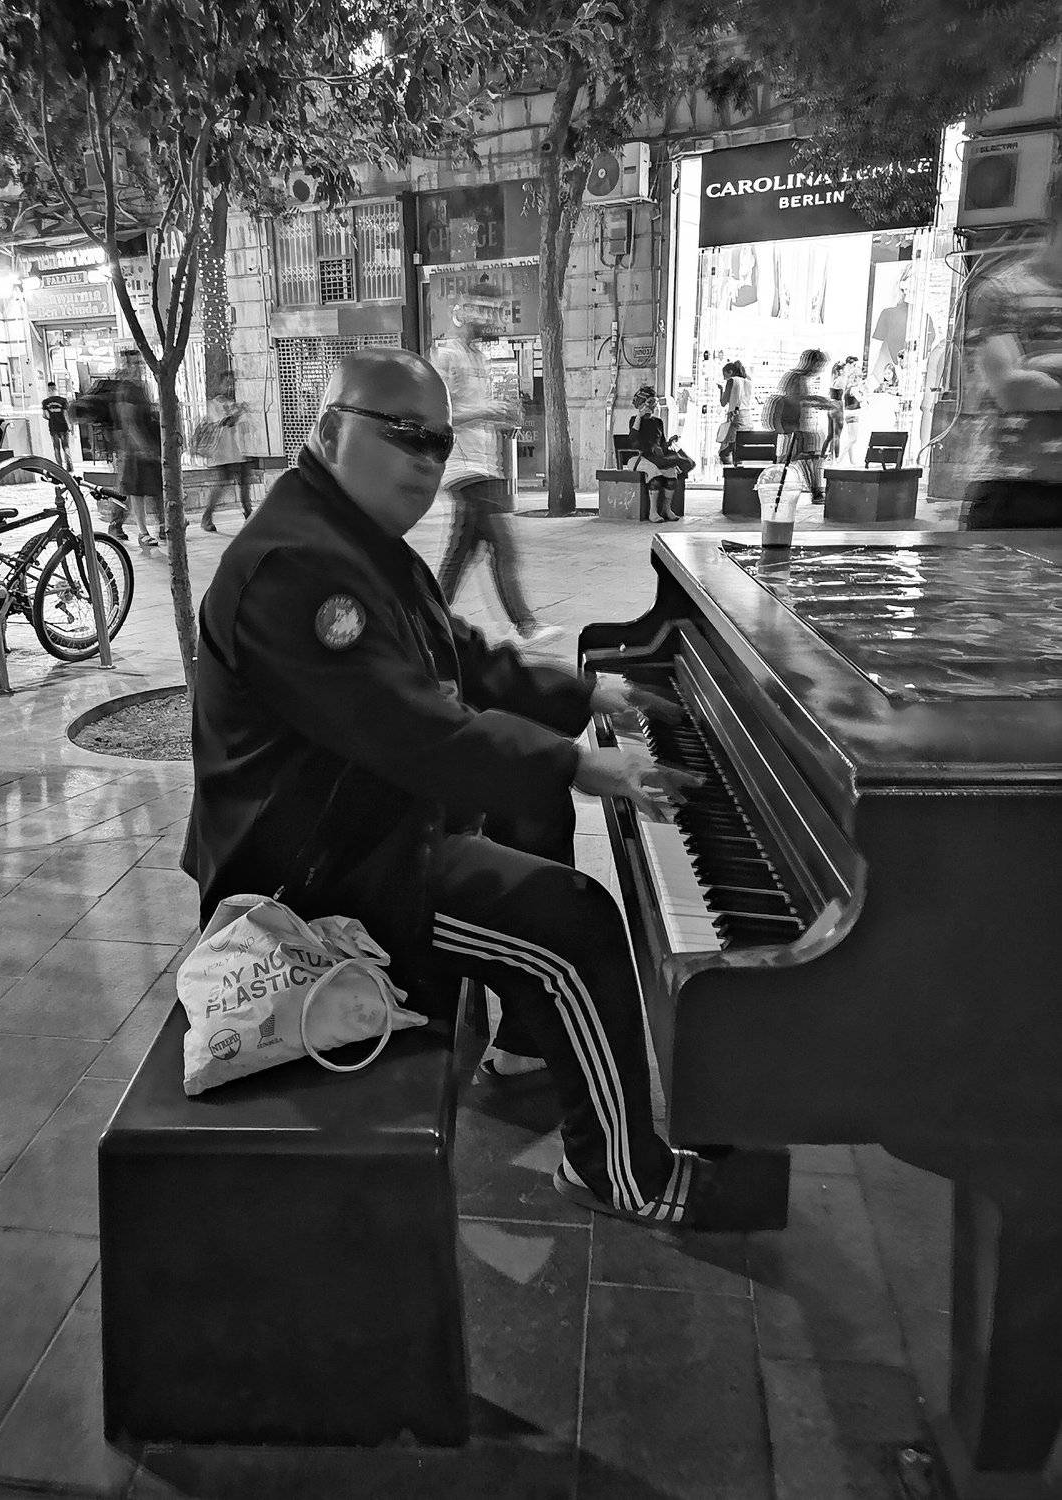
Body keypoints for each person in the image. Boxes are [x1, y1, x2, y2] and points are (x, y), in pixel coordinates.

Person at [182, 346, 760, 1230]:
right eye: (403, 433)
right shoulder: (297, 567)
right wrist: (580, 763)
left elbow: (462, 658)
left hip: (363, 821)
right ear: (330, 432)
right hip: (315, 880)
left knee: (530, 810)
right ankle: (617, 1172)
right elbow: (413, 732)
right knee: (574, 925)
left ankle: (527, 1040)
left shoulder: (352, 539)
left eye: (440, 441)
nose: (426, 458)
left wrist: (583, 697)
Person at [432, 283, 560, 648]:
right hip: (464, 470)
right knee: (503, 547)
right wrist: (485, 411)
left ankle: (427, 618)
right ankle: (525, 626)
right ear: (467, 311)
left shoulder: (477, 358)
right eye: (487, 311)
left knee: (460, 555)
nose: (493, 320)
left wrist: (498, 417)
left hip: (484, 467)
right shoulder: (447, 356)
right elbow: (439, 415)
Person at [963, 170, 1062, 529]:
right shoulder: (1004, 291)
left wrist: (1042, 364)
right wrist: (1028, 378)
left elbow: (1032, 385)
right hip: (1013, 489)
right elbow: (1013, 390)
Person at [769, 349, 839, 502]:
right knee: (810, 456)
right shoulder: (797, 378)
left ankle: (815, 491)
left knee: (808, 456)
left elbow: (798, 399)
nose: (820, 369)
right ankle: (816, 492)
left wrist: (817, 401)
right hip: (794, 427)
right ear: (811, 363)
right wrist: (818, 401)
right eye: (819, 365)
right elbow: (796, 400)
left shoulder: (797, 377)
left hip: (794, 427)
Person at [114, 350, 164, 547]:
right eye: (133, 364)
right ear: (126, 366)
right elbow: (128, 421)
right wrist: (141, 445)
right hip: (135, 449)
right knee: (136, 490)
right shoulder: (127, 390)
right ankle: (142, 531)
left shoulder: (141, 387)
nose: (138, 368)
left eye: (139, 363)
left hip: (145, 445)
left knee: (150, 486)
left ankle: (161, 525)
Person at [626, 385, 696, 521]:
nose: (653, 406)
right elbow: (633, 441)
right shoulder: (635, 420)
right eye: (650, 402)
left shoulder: (658, 422)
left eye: (654, 402)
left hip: (656, 458)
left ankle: (666, 509)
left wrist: (668, 443)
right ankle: (653, 512)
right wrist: (640, 416)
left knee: (671, 478)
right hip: (639, 458)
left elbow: (661, 444)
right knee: (656, 478)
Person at [199, 371, 252, 533]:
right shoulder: (214, 405)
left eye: (232, 382)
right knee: (220, 485)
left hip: (240, 451)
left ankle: (249, 516)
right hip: (223, 453)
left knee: (245, 486)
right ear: (219, 384)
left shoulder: (235, 403)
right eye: (226, 383)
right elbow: (226, 422)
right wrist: (239, 412)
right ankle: (207, 517)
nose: (229, 386)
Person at [716, 361, 752, 465]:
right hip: (747, 418)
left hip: (735, 416)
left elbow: (723, 402)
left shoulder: (732, 381)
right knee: (738, 448)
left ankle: (731, 472)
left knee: (723, 453)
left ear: (730, 372)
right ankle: (738, 470)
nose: (724, 378)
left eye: (725, 375)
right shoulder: (748, 381)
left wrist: (721, 390)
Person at [837, 357, 868, 467]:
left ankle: (851, 461)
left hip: (849, 413)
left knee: (851, 438)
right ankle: (840, 459)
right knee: (853, 439)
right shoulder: (854, 388)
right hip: (853, 413)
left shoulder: (849, 387)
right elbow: (862, 400)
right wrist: (864, 393)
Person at [41, 382, 73, 471]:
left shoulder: (45, 402)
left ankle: (60, 467)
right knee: (66, 446)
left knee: (56, 448)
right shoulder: (63, 400)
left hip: (53, 427)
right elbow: (66, 414)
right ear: (55, 389)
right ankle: (69, 466)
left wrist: (51, 414)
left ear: (48, 390)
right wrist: (69, 426)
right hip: (63, 426)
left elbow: (46, 416)